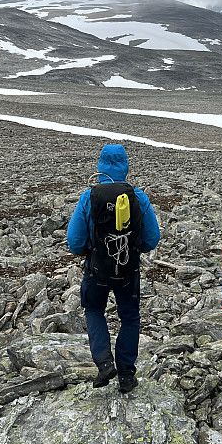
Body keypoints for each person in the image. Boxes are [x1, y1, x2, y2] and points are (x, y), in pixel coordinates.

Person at [67, 143, 161, 393]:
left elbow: (74, 242)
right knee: (129, 317)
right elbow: (152, 239)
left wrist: (91, 249)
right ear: (125, 166)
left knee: (94, 310)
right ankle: (127, 374)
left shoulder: (89, 197)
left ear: (100, 165)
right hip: (128, 270)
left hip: (95, 270)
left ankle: (104, 362)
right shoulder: (138, 197)